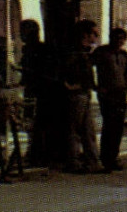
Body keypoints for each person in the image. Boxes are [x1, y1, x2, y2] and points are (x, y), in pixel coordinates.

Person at [61, 18, 102, 173]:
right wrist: (72, 84)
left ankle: (92, 161)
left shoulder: (84, 52)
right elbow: (70, 71)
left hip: (83, 92)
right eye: (94, 34)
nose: (96, 37)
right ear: (85, 34)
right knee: (75, 129)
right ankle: (75, 161)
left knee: (87, 129)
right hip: (77, 92)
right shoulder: (75, 52)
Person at [91, 27, 127, 173]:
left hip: (120, 94)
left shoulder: (124, 54)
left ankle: (114, 157)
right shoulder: (101, 52)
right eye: (116, 38)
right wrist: (96, 87)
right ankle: (106, 159)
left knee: (118, 126)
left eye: (122, 38)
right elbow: (88, 68)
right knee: (109, 125)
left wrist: (126, 86)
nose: (119, 41)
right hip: (107, 94)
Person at [18, 19, 54, 166]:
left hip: (38, 91)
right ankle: (35, 153)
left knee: (36, 123)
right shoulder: (34, 49)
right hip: (36, 90)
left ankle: (36, 154)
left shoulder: (35, 50)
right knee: (34, 123)